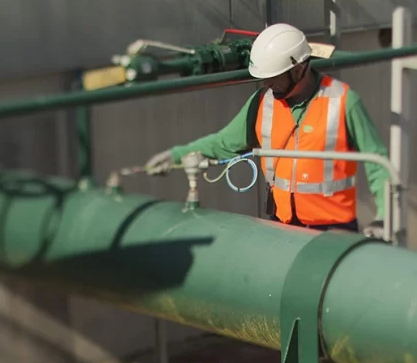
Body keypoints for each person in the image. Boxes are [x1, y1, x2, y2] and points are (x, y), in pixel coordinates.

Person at [146, 23, 390, 236]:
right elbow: (223, 143)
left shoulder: (343, 101)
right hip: (282, 229)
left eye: (274, 76)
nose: (267, 83)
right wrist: (177, 155)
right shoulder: (264, 102)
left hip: (333, 232)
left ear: (298, 69)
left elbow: (378, 162)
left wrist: (384, 218)